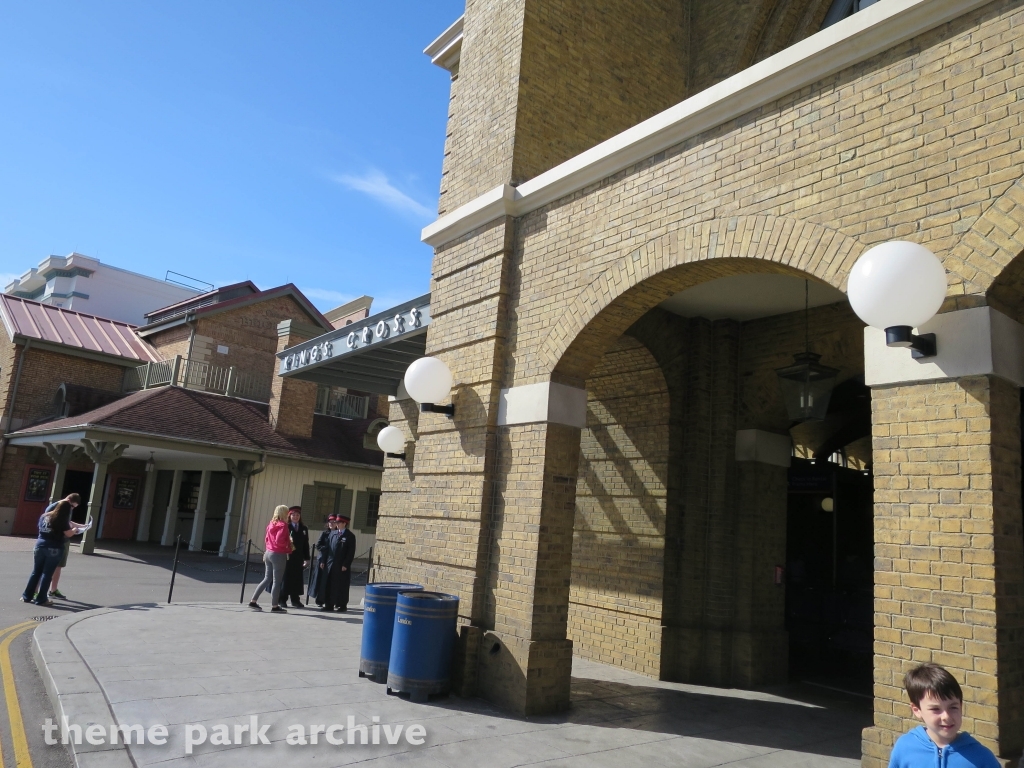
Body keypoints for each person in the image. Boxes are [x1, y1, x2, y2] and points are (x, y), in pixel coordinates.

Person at [888, 663, 1000, 768]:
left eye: (953, 707)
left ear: (961, 706)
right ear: (917, 710)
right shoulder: (904, 748)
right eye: (935, 709)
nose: (946, 716)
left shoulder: (981, 757)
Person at [21, 500, 85, 607]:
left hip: (40, 546)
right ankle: (41, 599)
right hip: (54, 548)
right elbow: (68, 534)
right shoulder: (61, 519)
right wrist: (75, 529)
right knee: (47, 574)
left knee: (36, 572)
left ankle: (27, 596)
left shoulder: (44, 516)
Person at [248, 505, 293, 613]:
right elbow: (279, 540)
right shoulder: (283, 525)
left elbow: (267, 539)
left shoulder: (271, 524)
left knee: (267, 578)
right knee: (277, 582)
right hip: (278, 554)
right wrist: (288, 544)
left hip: (269, 552)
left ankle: (253, 601)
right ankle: (274, 606)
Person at [42, 493, 81, 600]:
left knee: (58, 566)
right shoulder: (55, 507)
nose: (72, 509)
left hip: (61, 541)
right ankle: (40, 592)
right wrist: (73, 530)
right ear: (68, 500)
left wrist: (80, 526)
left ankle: (53, 590)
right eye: (72, 506)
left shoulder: (65, 508)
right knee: (47, 568)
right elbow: (54, 523)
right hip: (55, 541)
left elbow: (66, 521)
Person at [317, 513, 356, 612]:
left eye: (339, 522)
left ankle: (341, 604)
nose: (336, 524)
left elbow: (350, 552)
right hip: (330, 564)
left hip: (341, 565)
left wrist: (346, 564)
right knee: (328, 584)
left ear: (344, 523)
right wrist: (323, 560)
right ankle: (328, 604)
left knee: (341, 585)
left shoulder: (350, 536)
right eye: (336, 522)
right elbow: (327, 549)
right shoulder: (332, 534)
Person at [282, 505, 310, 608]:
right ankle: (282, 599)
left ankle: (295, 600)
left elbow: (305, 544)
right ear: (289, 516)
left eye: (298, 515)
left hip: (298, 557)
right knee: (286, 578)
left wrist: (307, 558)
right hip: (287, 556)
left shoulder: (303, 528)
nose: (296, 517)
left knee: (297, 579)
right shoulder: (286, 526)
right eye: (293, 515)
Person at [309, 514, 336, 607]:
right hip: (323, 559)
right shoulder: (325, 533)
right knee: (321, 581)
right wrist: (326, 548)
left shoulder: (338, 533)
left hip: (332, 560)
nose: (331, 524)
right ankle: (319, 600)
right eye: (330, 522)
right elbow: (318, 545)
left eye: (333, 522)